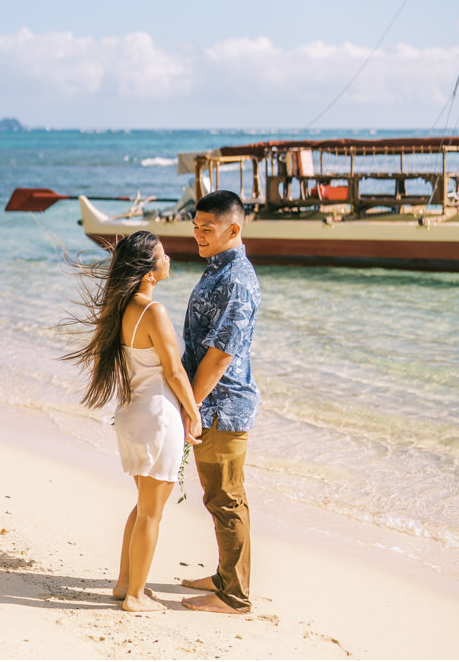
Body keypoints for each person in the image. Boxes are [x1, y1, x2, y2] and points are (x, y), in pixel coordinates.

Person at [62, 231, 203, 613]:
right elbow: (174, 372)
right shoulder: (153, 311)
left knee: (143, 506)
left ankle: (125, 583)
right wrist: (194, 412)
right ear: (148, 272)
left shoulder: (121, 310)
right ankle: (136, 596)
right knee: (152, 512)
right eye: (163, 254)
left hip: (132, 415)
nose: (169, 258)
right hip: (158, 416)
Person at [176, 189, 262, 614]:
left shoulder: (237, 280)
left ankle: (235, 597)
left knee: (227, 498)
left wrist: (190, 405)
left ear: (234, 228)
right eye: (195, 228)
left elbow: (221, 354)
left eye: (207, 229)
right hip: (210, 403)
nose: (198, 236)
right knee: (218, 496)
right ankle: (225, 576)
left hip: (223, 406)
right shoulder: (217, 270)